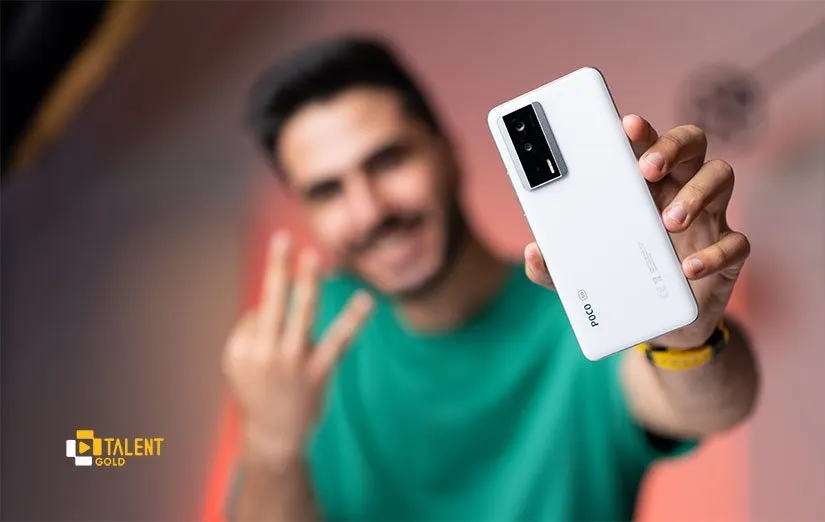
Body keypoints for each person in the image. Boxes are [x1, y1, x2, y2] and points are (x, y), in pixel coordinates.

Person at [223, 36, 759, 522]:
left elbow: (707, 405)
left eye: (388, 161)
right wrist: (271, 445)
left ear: (447, 151)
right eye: (327, 191)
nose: (369, 211)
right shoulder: (295, 344)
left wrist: (684, 338)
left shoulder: (576, 310)